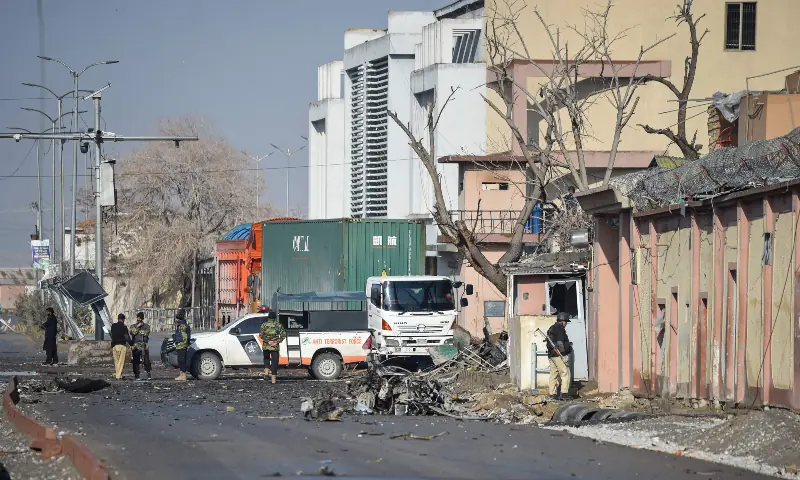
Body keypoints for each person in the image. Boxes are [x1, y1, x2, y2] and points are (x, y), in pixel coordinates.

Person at [546, 311, 573, 399]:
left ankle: (552, 393)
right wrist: (563, 353)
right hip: (558, 355)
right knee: (565, 373)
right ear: (563, 321)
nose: (566, 324)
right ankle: (564, 394)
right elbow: (560, 342)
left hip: (551, 355)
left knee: (553, 374)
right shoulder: (560, 328)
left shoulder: (551, 328)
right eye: (566, 322)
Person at [259, 312, 286, 384]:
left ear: (268, 317)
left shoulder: (264, 325)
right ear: (275, 318)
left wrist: (268, 341)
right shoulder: (278, 325)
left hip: (266, 346)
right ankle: (273, 380)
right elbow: (283, 335)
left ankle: (266, 373)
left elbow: (261, 335)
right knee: (274, 362)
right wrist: (276, 342)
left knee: (266, 358)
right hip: (275, 347)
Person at [129, 312, 152, 381]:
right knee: (135, 360)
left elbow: (146, 333)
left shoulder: (147, 326)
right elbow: (132, 332)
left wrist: (141, 331)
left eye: (140, 318)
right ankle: (137, 374)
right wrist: (138, 327)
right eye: (138, 318)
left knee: (146, 360)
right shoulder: (133, 326)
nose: (139, 320)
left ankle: (148, 372)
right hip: (136, 345)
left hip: (144, 344)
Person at [110, 314, 131, 380]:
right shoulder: (124, 327)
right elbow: (126, 337)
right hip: (121, 346)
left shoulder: (113, 326)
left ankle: (118, 374)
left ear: (118, 318)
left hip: (114, 346)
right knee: (121, 362)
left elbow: (112, 334)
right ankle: (118, 376)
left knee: (116, 362)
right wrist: (131, 343)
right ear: (123, 319)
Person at [173, 309, 191, 381]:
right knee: (181, 360)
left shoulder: (181, 325)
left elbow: (180, 336)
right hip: (183, 344)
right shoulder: (185, 324)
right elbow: (188, 336)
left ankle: (183, 375)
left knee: (181, 360)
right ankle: (182, 375)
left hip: (181, 344)